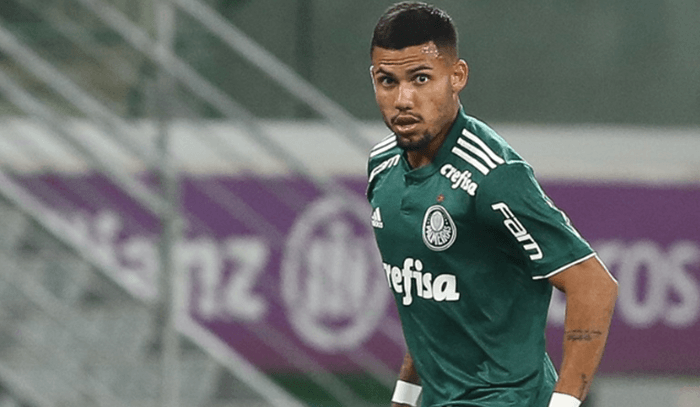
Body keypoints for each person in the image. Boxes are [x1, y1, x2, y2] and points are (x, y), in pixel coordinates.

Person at [365, 2, 618, 407]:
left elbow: (593, 285)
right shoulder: (382, 166)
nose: (403, 99)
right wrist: (404, 399)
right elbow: (431, 306)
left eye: (421, 78)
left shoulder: (493, 175)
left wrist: (564, 404)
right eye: (387, 81)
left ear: (457, 76)